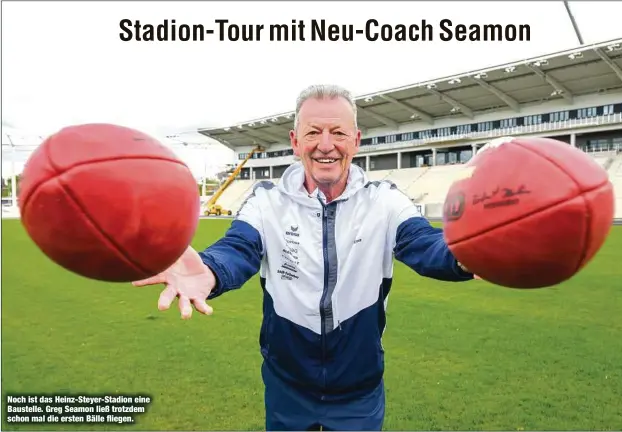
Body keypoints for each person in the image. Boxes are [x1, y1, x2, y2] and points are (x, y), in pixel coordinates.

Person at [133, 84, 477, 431]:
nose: (325, 145)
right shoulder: (266, 202)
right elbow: (239, 248)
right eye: (313, 132)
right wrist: (210, 270)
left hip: (358, 392)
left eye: (338, 133)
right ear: (295, 141)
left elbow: (424, 242)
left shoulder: (384, 202)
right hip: (288, 389)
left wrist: (465, 255)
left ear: (356, 140)